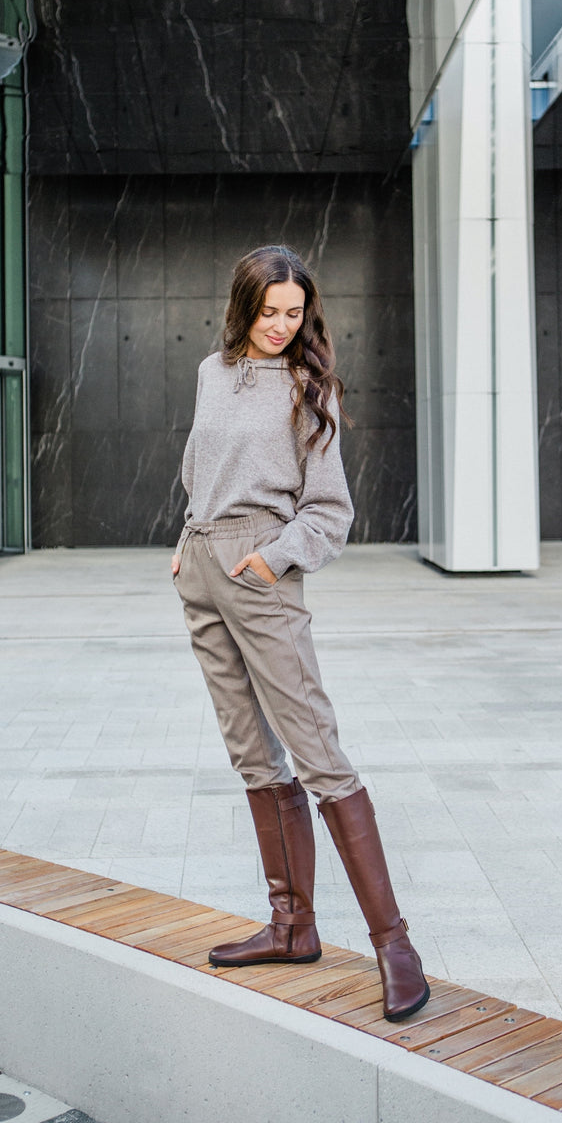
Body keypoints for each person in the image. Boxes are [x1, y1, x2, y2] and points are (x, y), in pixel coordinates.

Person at [171, 244, 429, 1023]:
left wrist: (271, 559)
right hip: (204, 566)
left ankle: (395, 945)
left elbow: (330, 511)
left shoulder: (309, 391)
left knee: (316, 750)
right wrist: (188, 541)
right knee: (251, 752)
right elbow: (197, 465)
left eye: (294, 313)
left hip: (262, 568)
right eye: (268, 312)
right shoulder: (212, 374)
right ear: (242, 306)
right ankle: (293, 927)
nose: (282, 326)